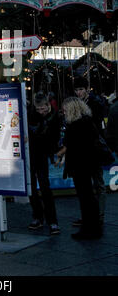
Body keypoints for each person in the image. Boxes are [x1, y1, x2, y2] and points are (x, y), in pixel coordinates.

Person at [57, 97, 102, 240]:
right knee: (89, 196)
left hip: (80, 165)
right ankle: (93, 227)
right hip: (88, 164)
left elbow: (72, 146)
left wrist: (62, 155)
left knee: (85, 197)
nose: (63, 112)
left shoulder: (76, 125)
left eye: (65, 110)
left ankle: (89, 228)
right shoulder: (87, 121)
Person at [73, 77, 106, 226]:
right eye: (77, 90)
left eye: (80, 89)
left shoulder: (94, 103)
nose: (79, 92)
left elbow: (97, 126)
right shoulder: (80, 104)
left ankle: (99, 215)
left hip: (93, 147)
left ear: (86, 89)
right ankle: (89, 215)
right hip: (85, 148)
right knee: (86, 185)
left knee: (97, 183)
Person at [28, 92, 61, 235]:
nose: (41, 111)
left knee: (45, 186)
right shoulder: (32, 115)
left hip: (42, 154)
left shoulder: (54, 117)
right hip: (31, 153)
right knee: (31, 187)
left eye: (43, 108)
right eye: (38, 109)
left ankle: (52, 220)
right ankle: (37, 216)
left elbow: (54, 138)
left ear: (48, 105)